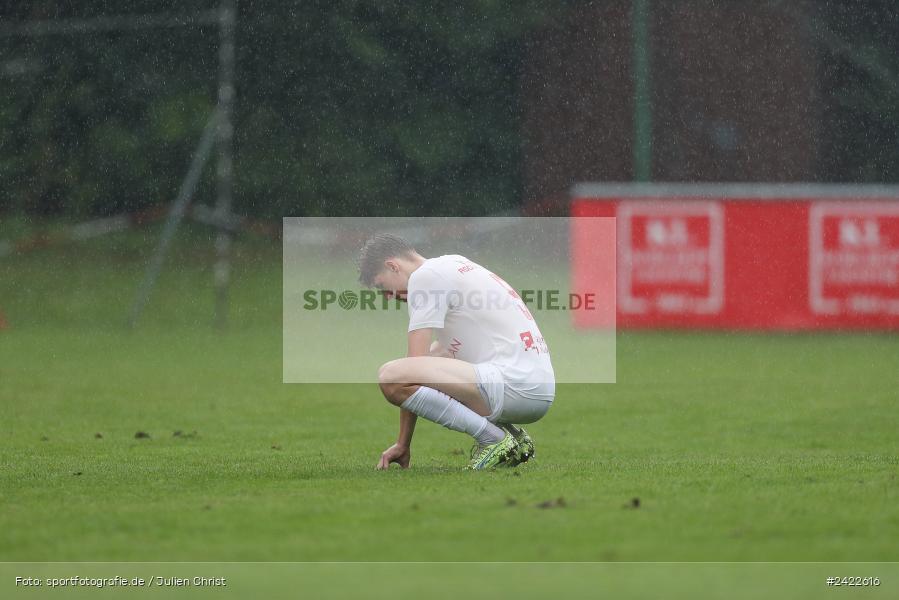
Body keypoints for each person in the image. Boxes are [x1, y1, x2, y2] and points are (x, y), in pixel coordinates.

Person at [357, 233, 555, 470]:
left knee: (390, 376)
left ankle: (493, 439)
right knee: (434, 356)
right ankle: (514, 437)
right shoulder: (455, 263)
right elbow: (429, 361)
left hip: (512, 386)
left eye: (382, 287)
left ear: (393, 266)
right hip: (538, 390)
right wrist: (403, 443)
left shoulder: (425, 277)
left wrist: (403, 442)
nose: (388, 297)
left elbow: (413, 367)